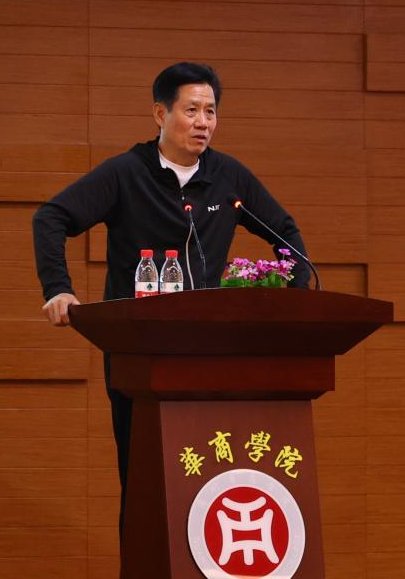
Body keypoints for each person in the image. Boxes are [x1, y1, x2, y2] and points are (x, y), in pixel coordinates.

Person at [30, 61, 310, 529]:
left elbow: (284, 231)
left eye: (211, 111)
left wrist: (297, 295)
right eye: (192, 110)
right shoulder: (126, 173)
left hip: (210, 350)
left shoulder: (228, 177)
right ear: (161, 114)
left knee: (207, 468)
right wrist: (59, 288)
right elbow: (51, 218)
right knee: (145, 474)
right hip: (138, 350)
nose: (203, 122)